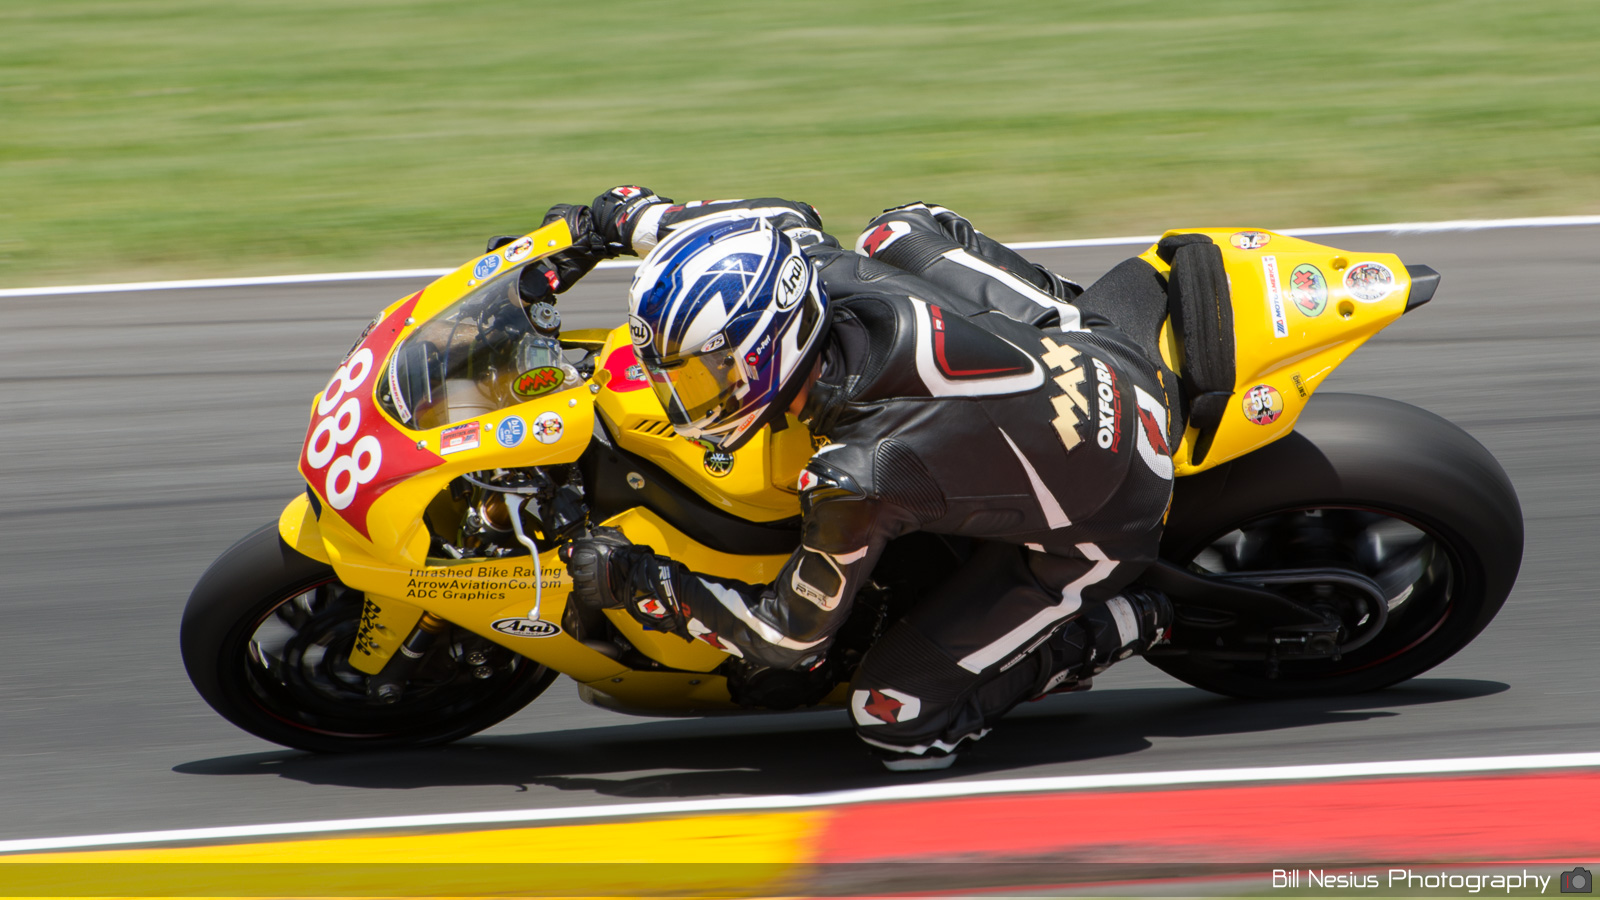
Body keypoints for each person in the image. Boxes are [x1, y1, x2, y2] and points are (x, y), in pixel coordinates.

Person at [543, 186, 1180, 770]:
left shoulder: (858, 474)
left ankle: (1114, 624)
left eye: (704, 376)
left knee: (896, 721)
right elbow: (777, 217)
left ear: (770, 350)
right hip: (1095, 352)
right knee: (897, 230)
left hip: (1112, 509)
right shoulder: (808, 267)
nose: (685, 398)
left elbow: (789, 638)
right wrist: (612, 219)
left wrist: (649, 583)